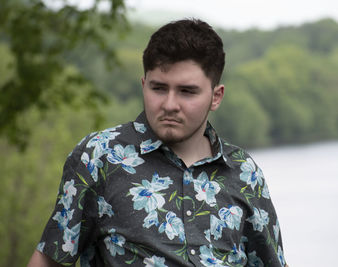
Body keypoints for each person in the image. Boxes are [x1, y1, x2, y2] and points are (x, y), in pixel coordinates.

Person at [28, 18, 287, 267]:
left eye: (187, 91)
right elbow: (49, 259)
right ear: (144, 85)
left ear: (216, 97)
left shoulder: (244, 172)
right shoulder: (100, 156)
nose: (169, 104)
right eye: (159, 88)